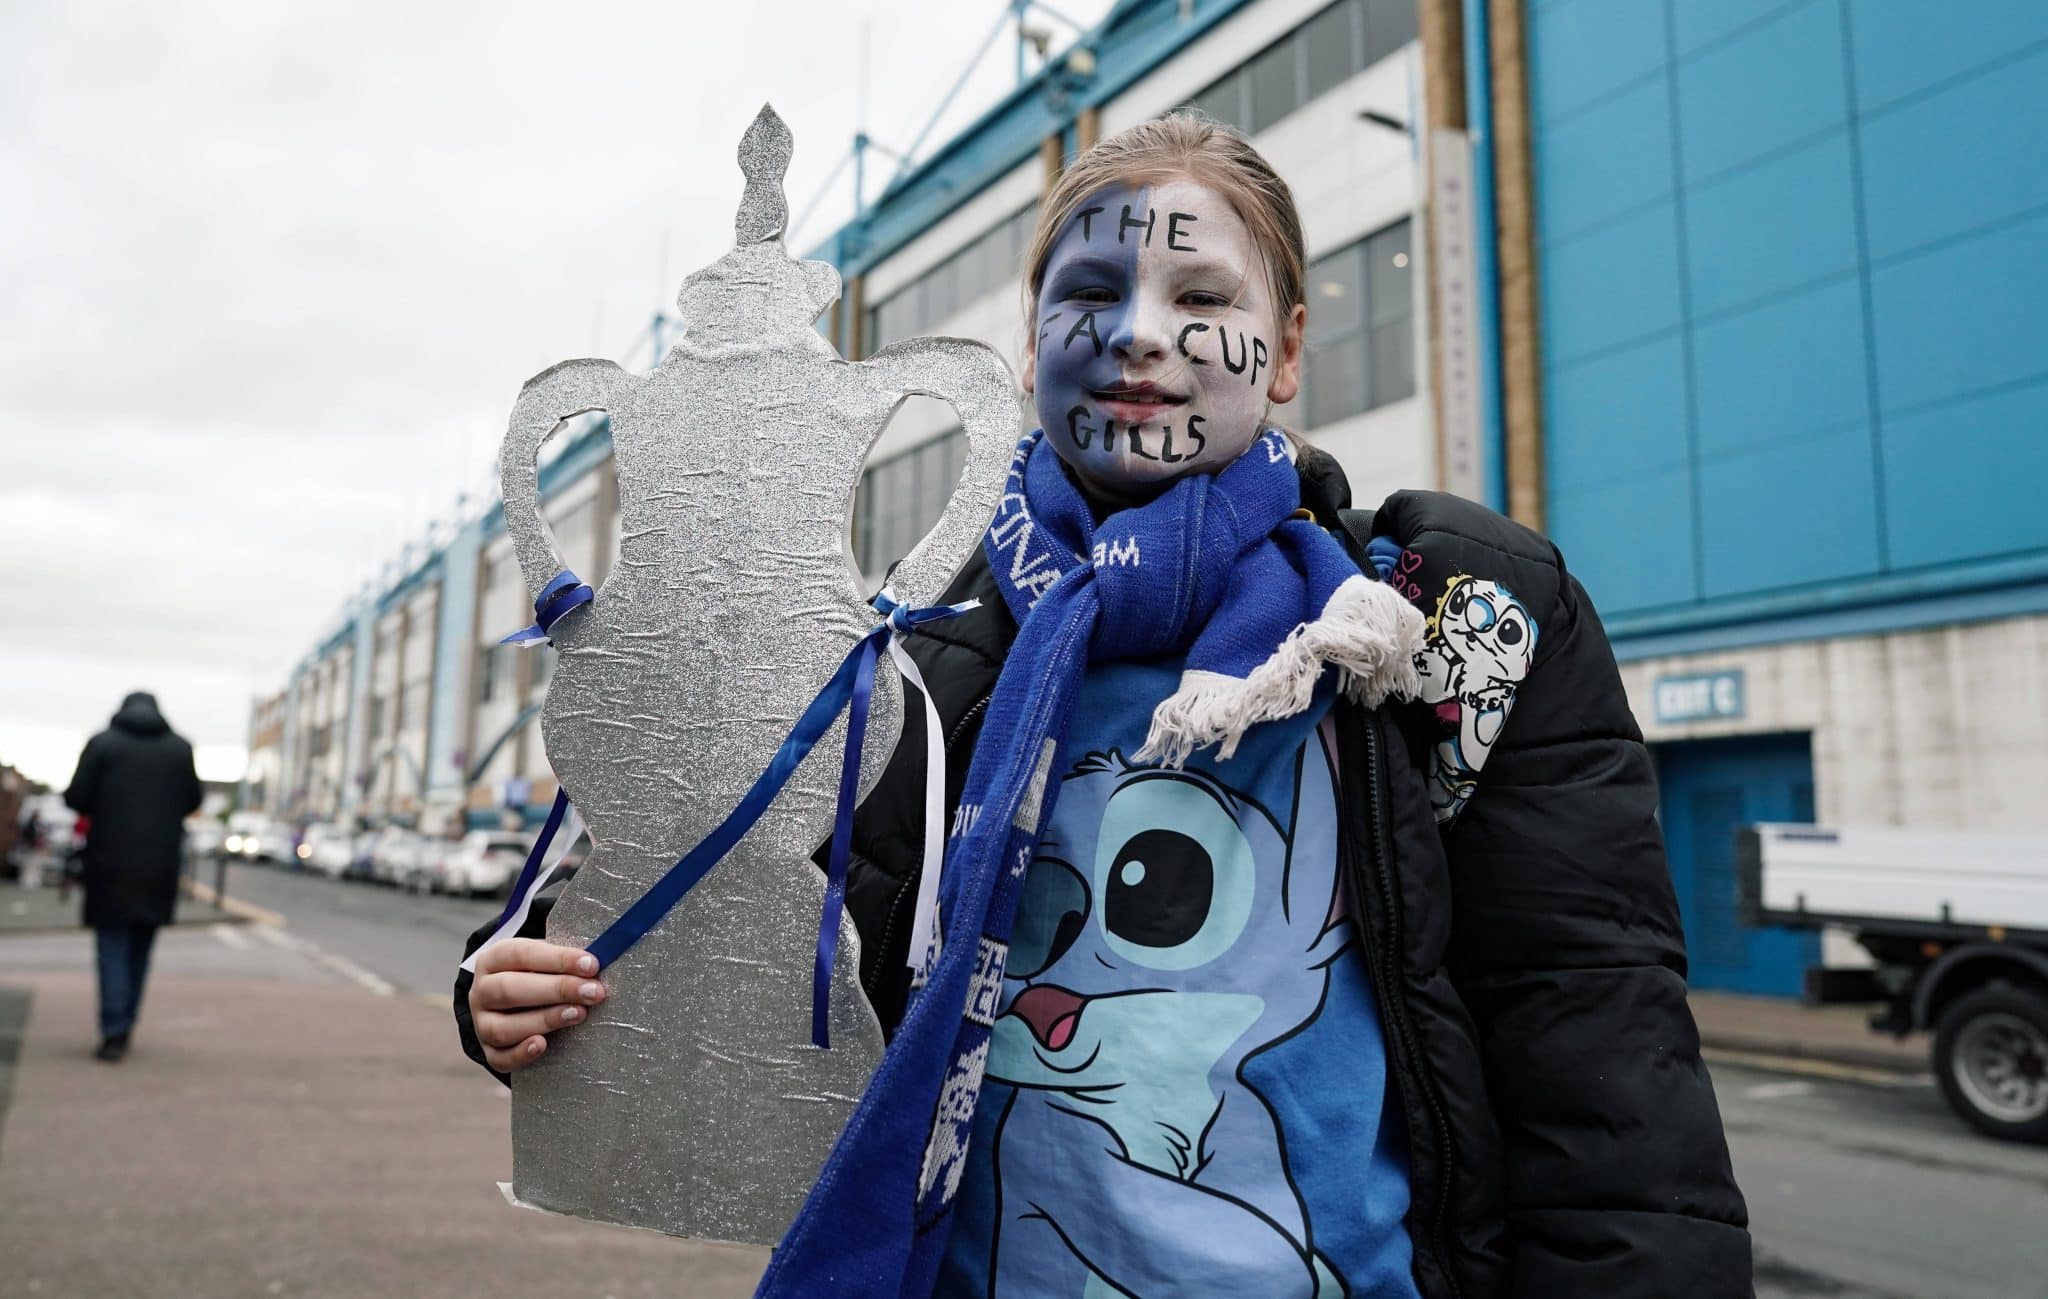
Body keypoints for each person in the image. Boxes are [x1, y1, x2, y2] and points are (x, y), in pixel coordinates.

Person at [458, 115, 1751, 1297]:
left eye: (1201, 296)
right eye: (1090, 292)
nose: (1139, 330)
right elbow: (724, 907)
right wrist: (521, 986)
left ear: (1289, 345)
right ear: (1029, 351)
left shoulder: (1443, 624)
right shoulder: (903, 650)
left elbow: (1606, 1092)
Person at [64, 691, 202, 1063]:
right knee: (141, 950)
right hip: (159, 866)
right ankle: (125, 1023)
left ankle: (113, 1030)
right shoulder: (179, 749)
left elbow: (76, 796)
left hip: (109, 862)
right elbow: (193, 800)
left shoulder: (103, 744)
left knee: (111, 946)